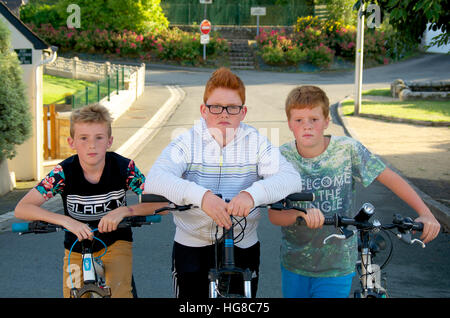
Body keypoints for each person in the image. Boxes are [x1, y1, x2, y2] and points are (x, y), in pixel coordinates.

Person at [268, 85, 441, 298]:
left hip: (338, 264)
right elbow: (274, 215)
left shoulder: (347, 150)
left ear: (326, 122)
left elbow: (390, 177)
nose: (307, 126)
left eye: (314, 119)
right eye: (299, 120)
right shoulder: (281, 157)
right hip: (295, 263)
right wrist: (299, 214)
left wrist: (426, 212)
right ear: (289, 124)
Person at [144, 67, 303, 298]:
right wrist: (202, 197)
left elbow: (291, 178)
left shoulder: (256, 143)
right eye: (215, 107)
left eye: (232, 108)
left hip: (243, 244)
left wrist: (251, 195)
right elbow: (155, 180)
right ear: (203, 110)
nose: (224, 114)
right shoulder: (187, 142)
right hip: (192, 244)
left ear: (243, 112)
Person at [15, 104, 165, 298]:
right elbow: (22, 208)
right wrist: (66, 221)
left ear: (109, 141)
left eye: (99, 138)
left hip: (115, 243)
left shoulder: (124, 167)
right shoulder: (63, 173)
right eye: (83, 138)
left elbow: (161, 205)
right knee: (73, 294)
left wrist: (124, 212)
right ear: (71, 142)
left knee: (119, 292)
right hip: (76, 248)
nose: (91, 145)